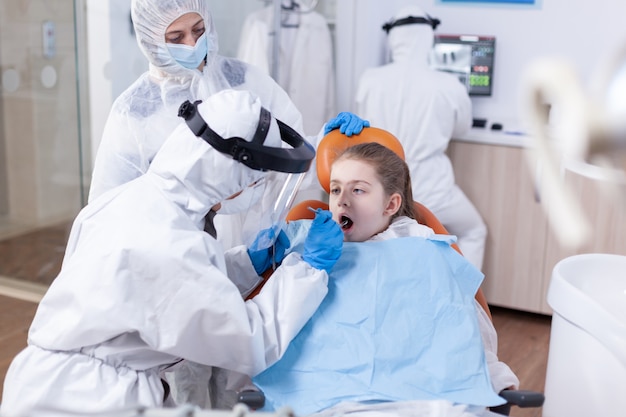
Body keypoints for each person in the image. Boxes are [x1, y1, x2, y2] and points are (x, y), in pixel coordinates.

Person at [0, 89, 344, 416]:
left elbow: (159, 294)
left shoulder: (136, 201)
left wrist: (245, 265)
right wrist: (308, 270)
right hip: (90, 400)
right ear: (227, 171)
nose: (252, 191)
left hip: (52, 384)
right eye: (253, 181)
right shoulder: (169, 243)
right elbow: (250, 342)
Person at [251, 142, 519, 416]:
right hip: (320, 398)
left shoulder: (423, 247)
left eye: (358, 190)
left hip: (419, 400)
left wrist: (495, 379)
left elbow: (461, 329)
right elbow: (264, 328)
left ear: (391, 204)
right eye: (335, 189)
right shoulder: (307, 248)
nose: (342, 200)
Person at [89, 0, 367, 250]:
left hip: (256, 245)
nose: (192, 44)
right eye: (176, 37)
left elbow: (288, 156)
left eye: (198, 30)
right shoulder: (134, 113)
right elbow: (111, 213)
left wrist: (328, 146)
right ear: (150, 40)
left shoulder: (244, 79)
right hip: (182, 259)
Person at [355, 5, 487, 270]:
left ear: (393, 38)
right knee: (474, 231)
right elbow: (462, 129)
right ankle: (466, 301)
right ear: (428, 38)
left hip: (384, 189)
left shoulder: (370, 79)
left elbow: (362, 129)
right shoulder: (449, 85)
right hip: (434, 192)